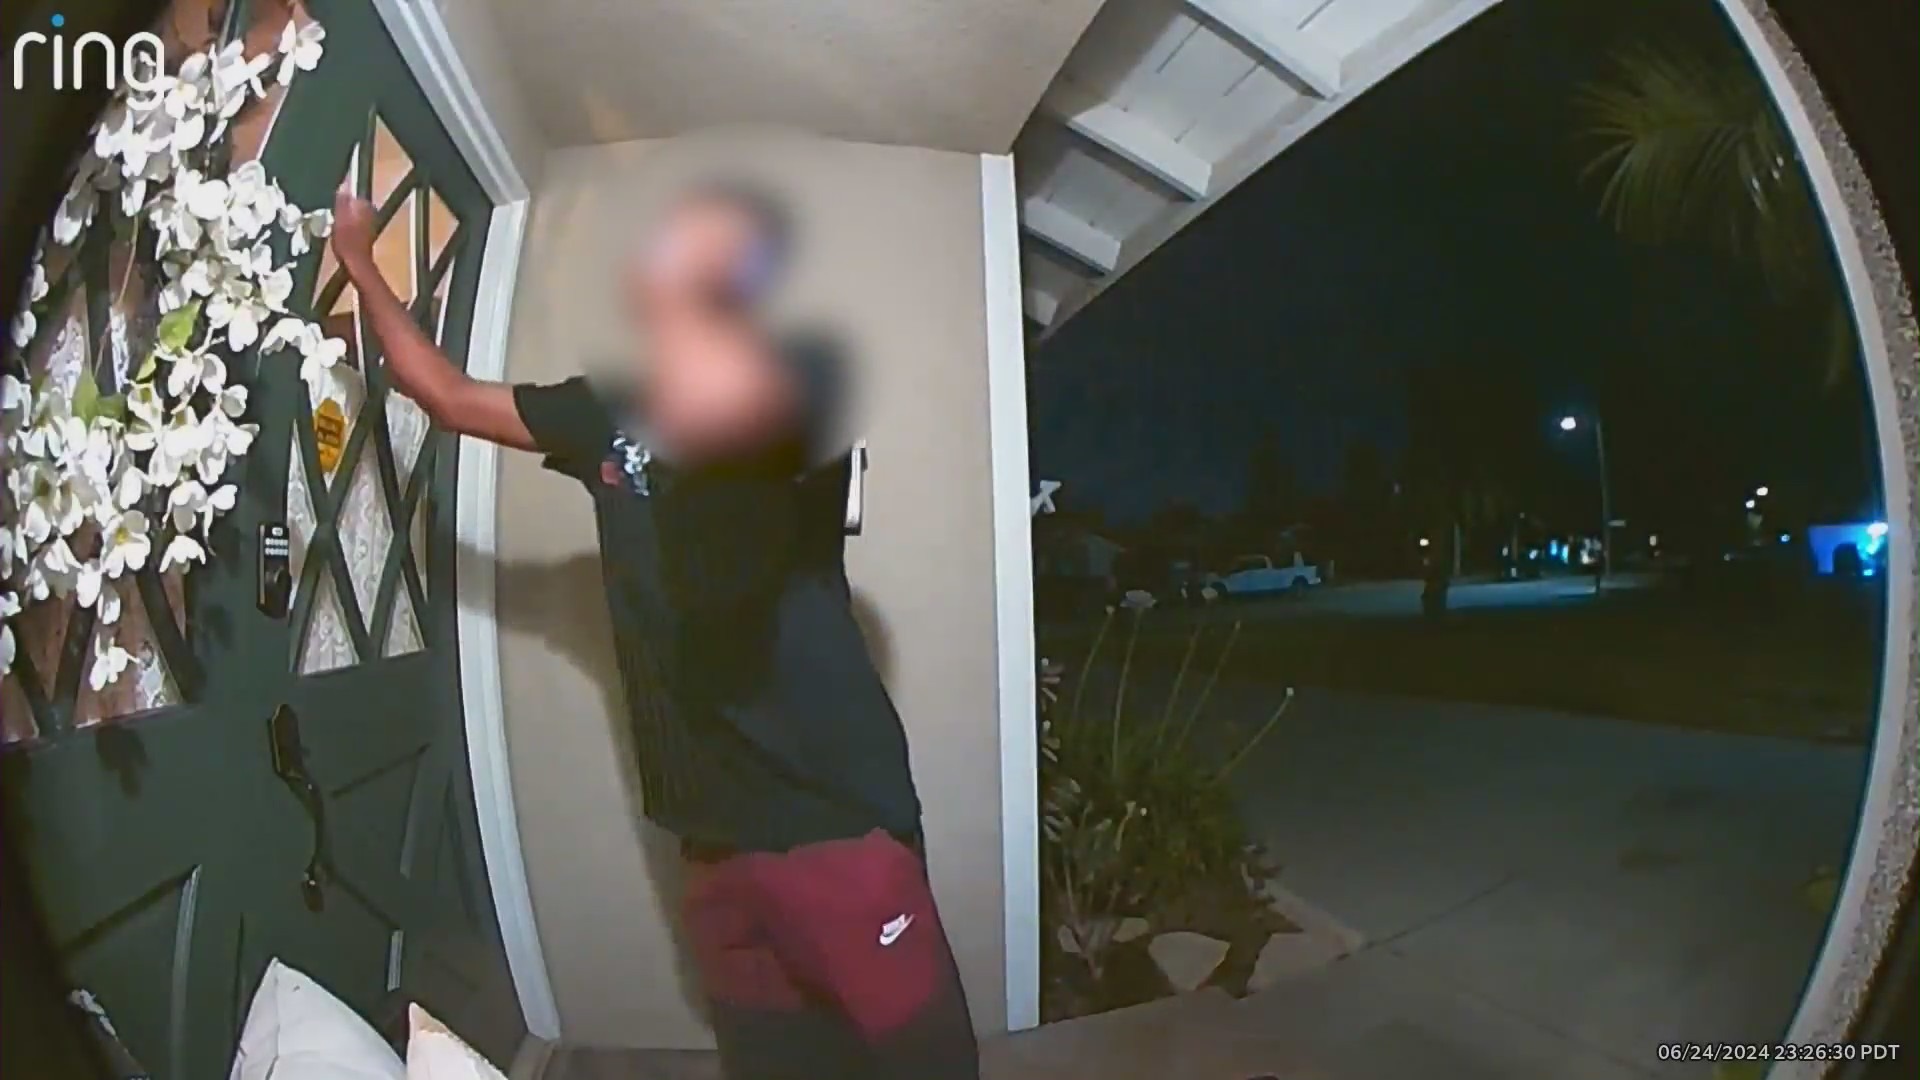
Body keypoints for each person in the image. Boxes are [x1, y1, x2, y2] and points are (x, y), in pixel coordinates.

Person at [328, 182, 978, 1080]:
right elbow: (444, 395)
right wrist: (358, 256)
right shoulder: (609, 411)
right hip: (709, 844)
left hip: (837, 831)